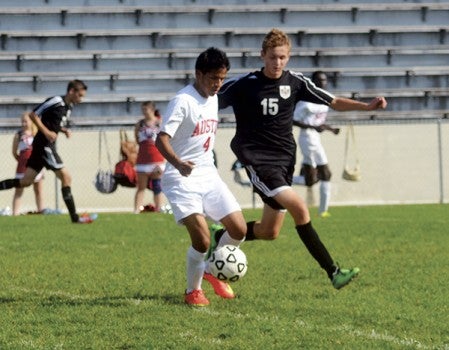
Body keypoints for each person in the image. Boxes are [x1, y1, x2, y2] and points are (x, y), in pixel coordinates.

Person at [218, 28, 387, 289]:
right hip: (258, 161)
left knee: (269, 231)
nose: (278, 63)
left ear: (289, 57)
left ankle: (220, 237)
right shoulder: (244, 84)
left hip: (284, 161)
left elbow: (333, 101)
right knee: (300, 208)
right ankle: (334, 272)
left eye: (283, 57)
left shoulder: (295, 82)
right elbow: (208, 101)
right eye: (273, 57)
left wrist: (366, 107)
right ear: (262, 55)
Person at [155, 47, 247, 307]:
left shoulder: (214, 97)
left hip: (208, 173)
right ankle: (192, 291)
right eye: (212, 78)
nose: (217, 84)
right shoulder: (183, 101)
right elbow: (161, 140)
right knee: (203, 238)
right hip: (180, 177)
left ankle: (210, 269)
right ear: (198, 74)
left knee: (239, 230)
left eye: (221, 78)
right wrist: (179, 163)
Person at [0, 79, 96, 224]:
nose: (81, 99)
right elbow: (34, 114)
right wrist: (46, 132)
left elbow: (52, 122)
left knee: (25, 182)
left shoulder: (68, 107)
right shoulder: (56, 100)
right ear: (71, 91)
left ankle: (76, 218)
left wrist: (63, 130)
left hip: (41, 147)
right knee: (67, 177)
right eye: (79, 96)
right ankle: (75, 218)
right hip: (45, 146)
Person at [292, 71, 340, 218]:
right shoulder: (306, 101)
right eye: (320, 80)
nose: (323, 83)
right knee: (311, 180)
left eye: (325, 80)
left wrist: (331, 129)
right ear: (313, 82)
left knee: (325, 174)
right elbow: (293, 120)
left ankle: (323, 211)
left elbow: (318, 122)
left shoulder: (324, 100)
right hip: (306, 138)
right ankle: (281, 179)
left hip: (315, 138)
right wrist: (313, 128)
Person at [133, 101, 166, 214]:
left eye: (146, 109)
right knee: (141, 187)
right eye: (142, 109)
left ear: (152, 110)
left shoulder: (159, 123)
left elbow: (165, 139)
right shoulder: (140, 124)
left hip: (157, 159)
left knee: (157, 185)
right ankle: (137, 209)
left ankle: (159, 207)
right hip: (143, 159)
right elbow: (137, 139)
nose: (144, 112)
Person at [11, 111, 45, 215]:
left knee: (38, 189)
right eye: (22, 122)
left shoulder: (37, 133)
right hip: (23, 166)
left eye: (26, 121)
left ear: (31, 122)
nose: (24, 124)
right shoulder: (19, 135)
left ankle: (40, 210)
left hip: (36, 164)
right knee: (19, 189)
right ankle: (15, 213)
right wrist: (21, 160)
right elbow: (14, 152)